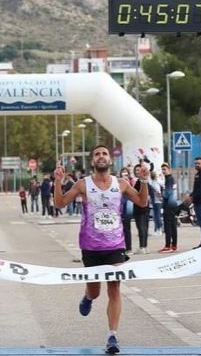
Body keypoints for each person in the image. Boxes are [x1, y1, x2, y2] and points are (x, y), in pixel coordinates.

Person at [53, 145, 149, 355]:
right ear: (92, 161)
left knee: (114, 288)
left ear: (110, 160)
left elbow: (142, 202)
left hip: (115, 246)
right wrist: (58, 181)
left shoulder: (121, 184)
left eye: (104, 153)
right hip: (91, 247)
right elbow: (59, 203)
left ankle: (112, 336)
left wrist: (143, 180)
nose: (101, 156)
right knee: (95, 291)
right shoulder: (82, 184)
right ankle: (88, 297)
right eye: (97, 154)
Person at [159, 163, 178, 253]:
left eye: (165, 169)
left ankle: (168, 246)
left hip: (169, 205)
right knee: (173, 225)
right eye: (162, 169)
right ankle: (174, 245)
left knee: (168, 225)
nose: (163, 171)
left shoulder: (169, 179)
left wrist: (162, 194)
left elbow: (167, 193)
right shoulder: (170, 179)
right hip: (173, 204)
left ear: (169, 169)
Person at [132, 164, 150, 254]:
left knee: (141, 227)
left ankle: (142, 246)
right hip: (144, 207)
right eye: (136, 170)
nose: (137, 172)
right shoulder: (141, 181)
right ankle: (144, 246)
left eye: (139, 170)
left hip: (140, 208)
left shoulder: (141, 182)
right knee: (144, 227)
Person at [119, 168, 134, 255]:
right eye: (123, 174)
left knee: (127, 228)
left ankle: (129, 248)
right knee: (120, 229)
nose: (124, 176)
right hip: (120, 207)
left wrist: (128, 183)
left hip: (127, 206)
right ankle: (121, 247)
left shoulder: (131, 182)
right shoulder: (118, 183)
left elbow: (133, 193)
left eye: (126, 174)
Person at [149, 171, 163, 235]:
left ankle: (159, 229)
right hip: (154, 200)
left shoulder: (157, 181)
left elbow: (162, 187)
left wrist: (160, 194)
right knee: (155, 215)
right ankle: (156, 229)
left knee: (157, 215)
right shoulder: (152, 182)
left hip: (157, 200)